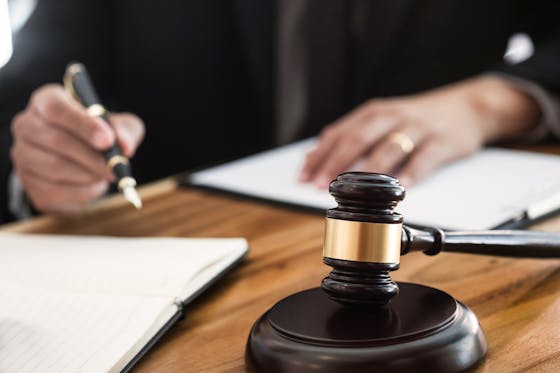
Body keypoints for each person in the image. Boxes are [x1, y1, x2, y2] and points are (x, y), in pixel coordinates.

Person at [1, 1, 559, 223]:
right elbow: (30, 83)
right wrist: (41, 158)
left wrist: (489, 103)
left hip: (440, 255)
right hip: (179, 247)